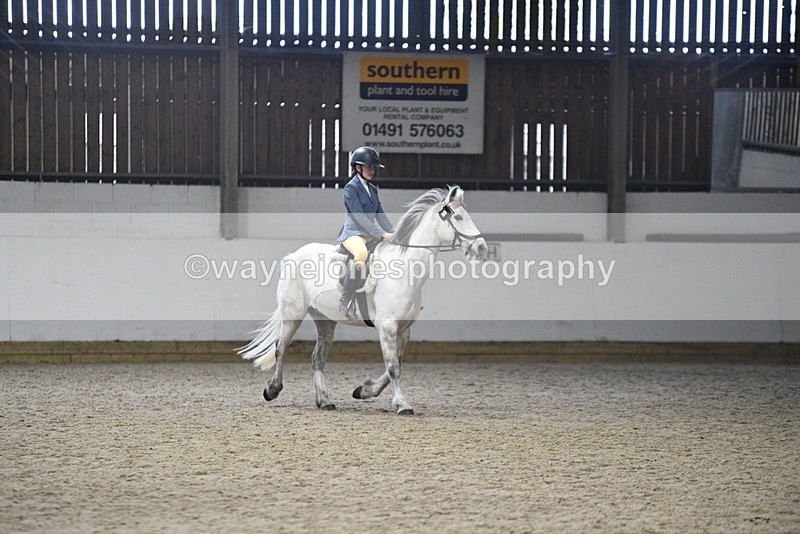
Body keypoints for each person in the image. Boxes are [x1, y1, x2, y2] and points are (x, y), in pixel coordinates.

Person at [336, 146, 395, 319]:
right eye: (369, 167)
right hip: (352, 234)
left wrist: (395, 233)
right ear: (358, 167)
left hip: (369, 234)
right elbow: (359, 217)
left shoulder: (373, 189)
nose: (372, 170)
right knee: (361, 253)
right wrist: (382, 234)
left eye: (373, 167)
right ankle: (345, 300)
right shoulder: (350, 188)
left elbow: (380, 215)